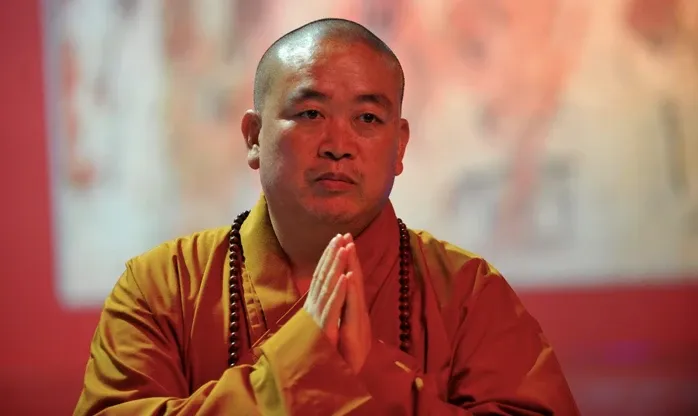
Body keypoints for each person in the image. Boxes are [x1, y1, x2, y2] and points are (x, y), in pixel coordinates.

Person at [74, 18, 580, 415]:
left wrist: (373, 370)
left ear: (399, 146)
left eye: (367, 118)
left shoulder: (469, 294)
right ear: (253, 137)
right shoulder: (160, 289)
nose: (338, 145)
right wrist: (308, 356)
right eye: (311, 114)